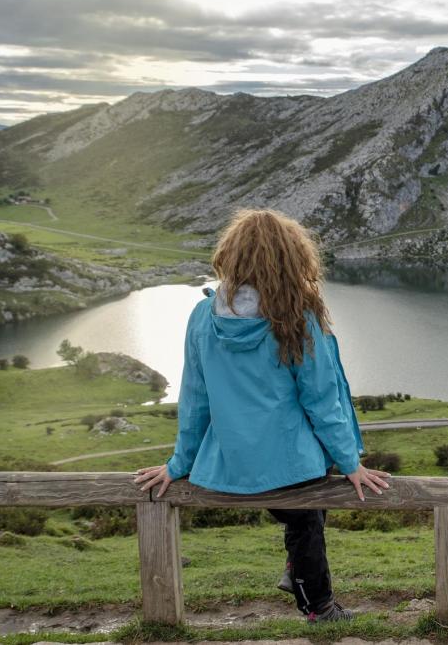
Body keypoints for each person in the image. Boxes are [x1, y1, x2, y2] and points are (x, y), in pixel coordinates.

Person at [133, 208, 391, 624]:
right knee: (307, 515)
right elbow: (322, 401)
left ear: (230, 256)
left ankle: (299, 577)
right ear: (293, 258)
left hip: (232, 464)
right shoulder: (297, 317)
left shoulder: (203, 317)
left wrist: (179, 464)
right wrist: (351, 464)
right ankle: (319, 607)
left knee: (303, 515)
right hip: (291, 462)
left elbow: (195, 399)